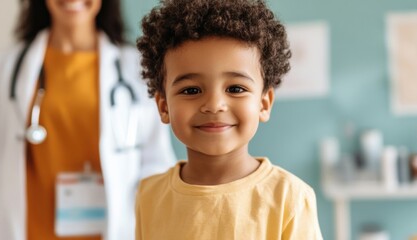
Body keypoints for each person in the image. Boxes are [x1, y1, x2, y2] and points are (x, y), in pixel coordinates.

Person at [134, 0, 324, 239]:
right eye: (191, 90)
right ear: (163, 106)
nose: (214, 105)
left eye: (235, 88)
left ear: (263, 104)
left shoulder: (290, 197)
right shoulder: (149, 195)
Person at [0, 0, 176, 239]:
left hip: (115, 230)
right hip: (27, 231)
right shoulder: (3, 70)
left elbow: (156, 163)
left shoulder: (136, 69)